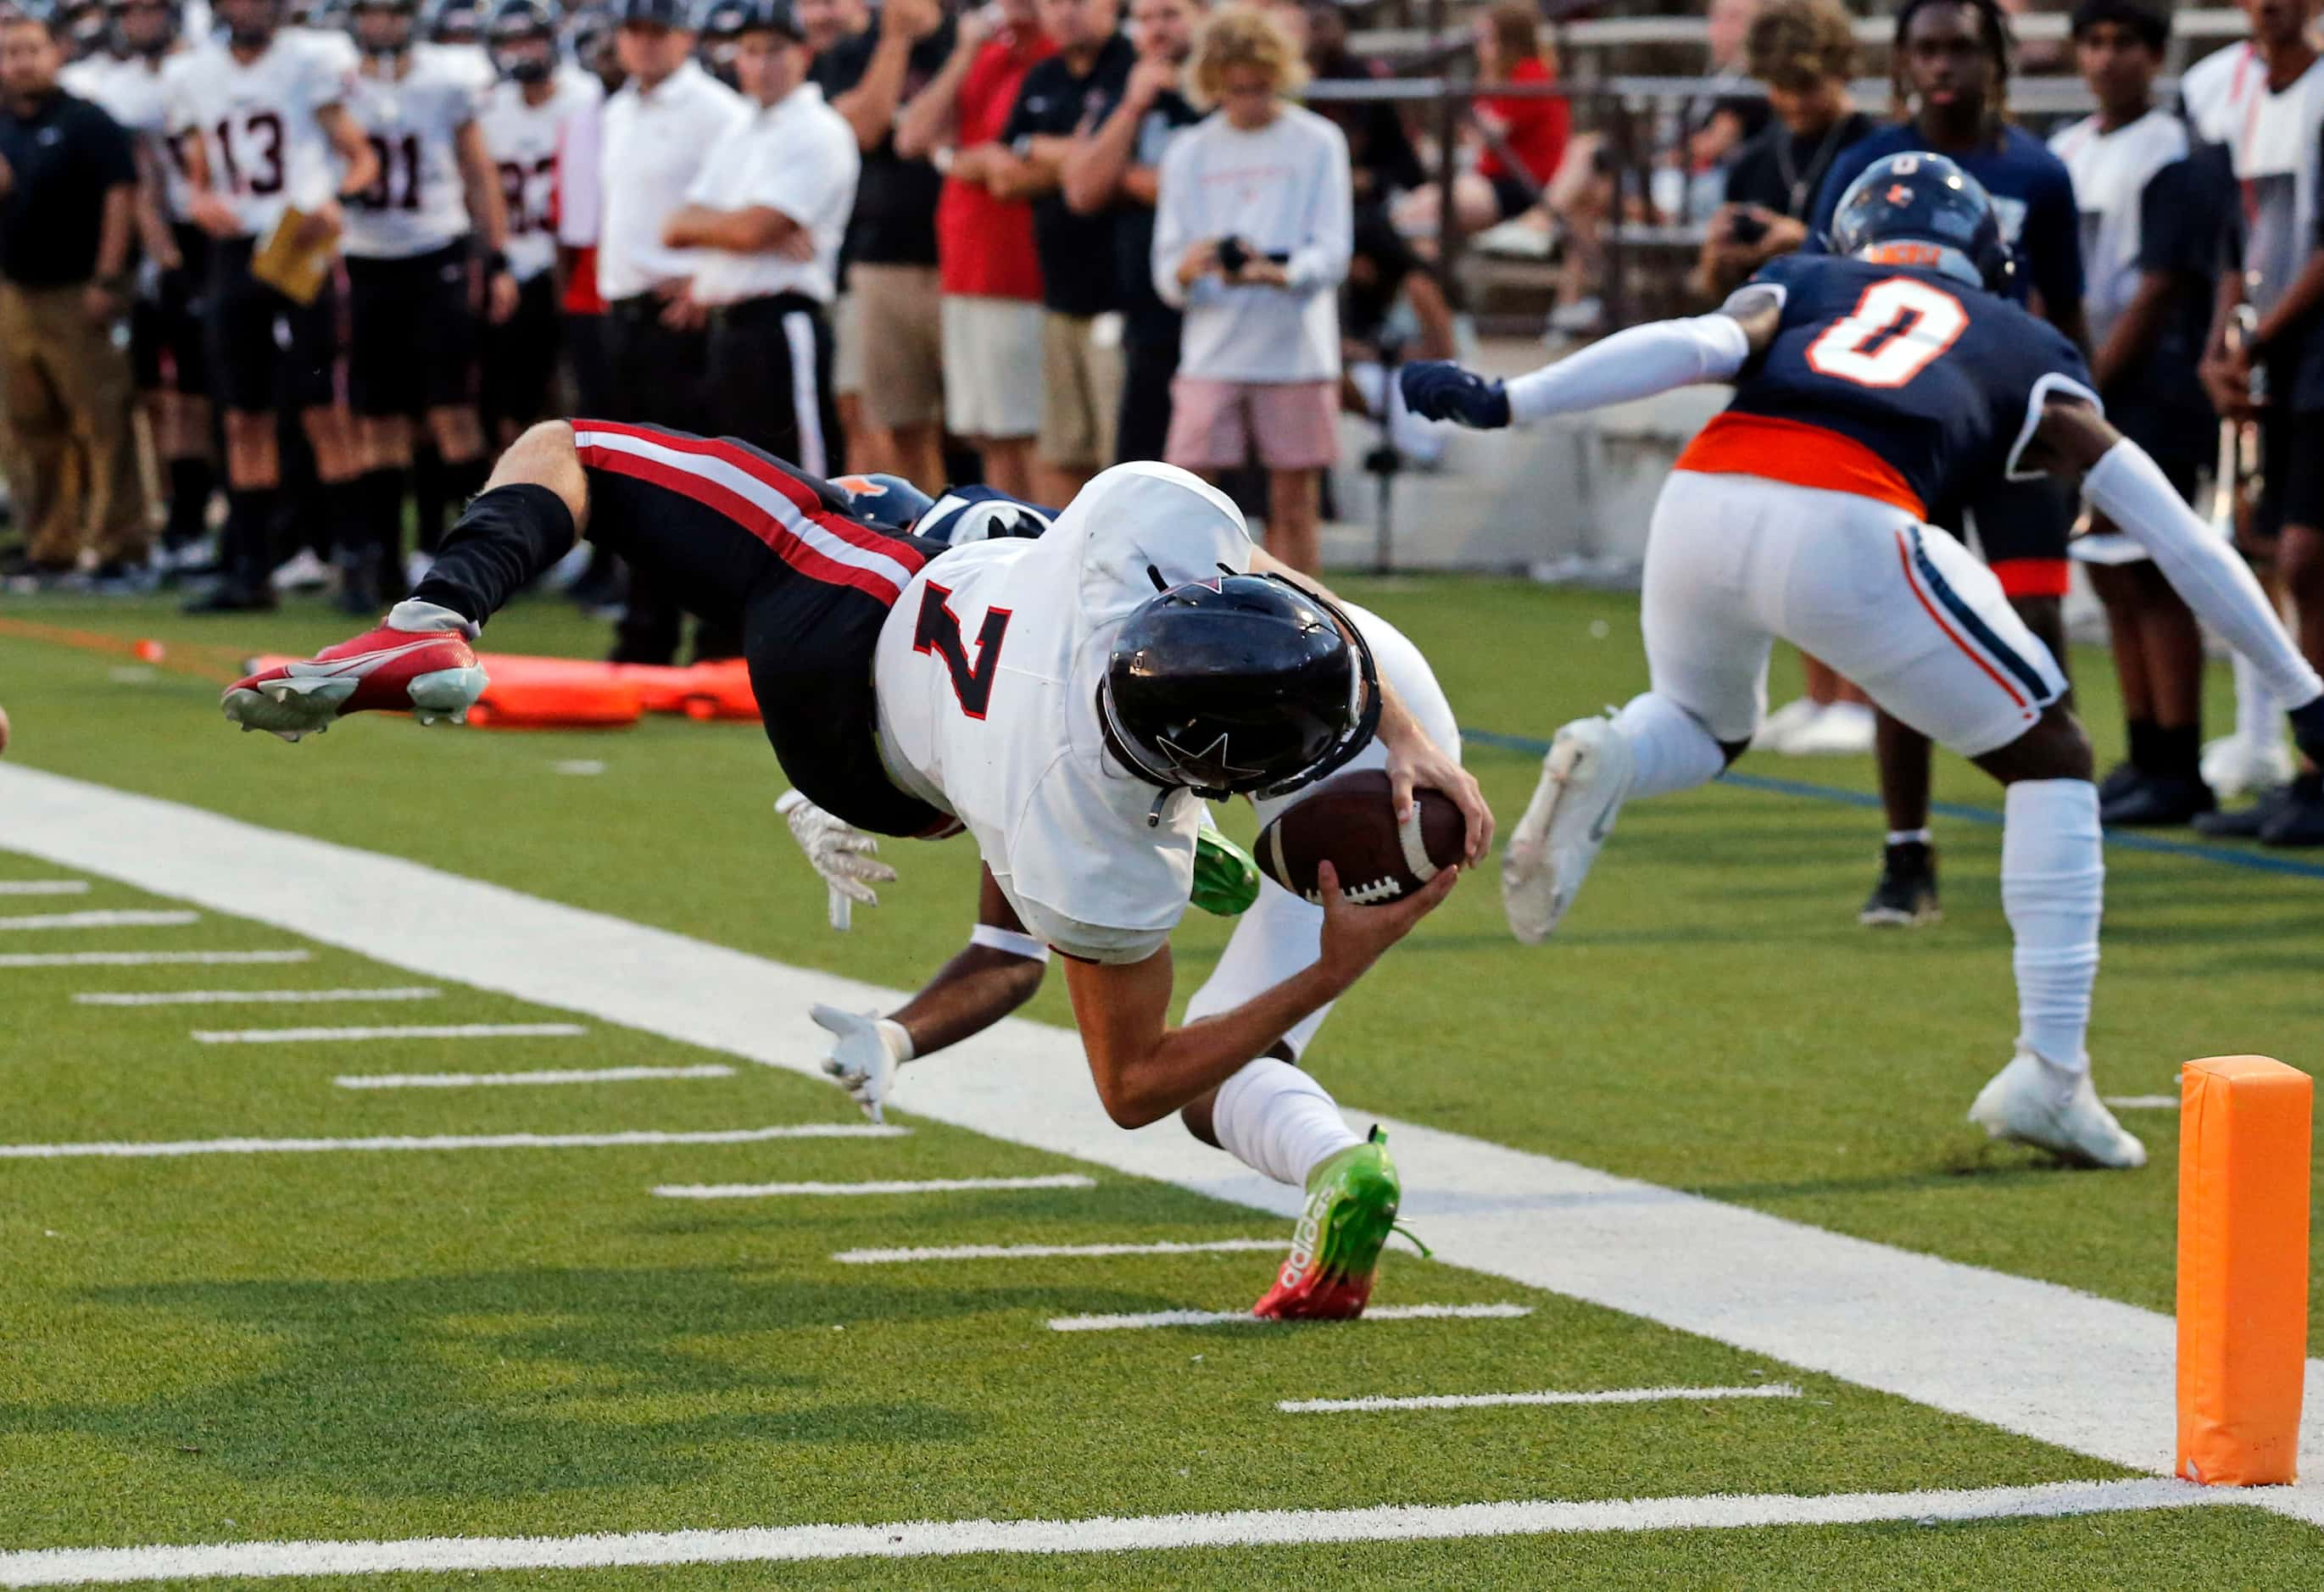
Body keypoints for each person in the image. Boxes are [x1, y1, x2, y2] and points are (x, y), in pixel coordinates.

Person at [219, 426, 1490, 1312]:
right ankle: (1322, 1142)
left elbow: (1116, 1068)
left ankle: (441, 612)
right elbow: (1127, 1070)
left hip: (860, 653)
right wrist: (1401, 752)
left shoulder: (1107, 578)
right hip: (1341, 680)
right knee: (1209, 1035)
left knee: (576, 447)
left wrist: (1350, 907)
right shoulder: (1087, 778)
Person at [1402, 153, 2324, 1169]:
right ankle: (2051, 1075)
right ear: (1989, 257)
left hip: (1702, 496)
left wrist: (1508, 400)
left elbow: (1693, 343)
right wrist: (2301, 691)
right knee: (2053, 755)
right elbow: (2182, 540)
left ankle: (1613, 754)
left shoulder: (1805, 281)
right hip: (1847, 513)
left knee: (1702, 723)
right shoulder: (2025, 342)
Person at [805, 540, 1467, 1320]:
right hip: (1351, 661)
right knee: (1125, 789)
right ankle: (1189, 831)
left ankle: (1335, 1159)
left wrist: (1330, 970)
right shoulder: (1027, 573)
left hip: (1233, 733)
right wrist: (1407, 732)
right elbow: (1239, 554)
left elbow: (1116, 1068)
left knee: (1207, 1071)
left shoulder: (1008, 758)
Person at [1804, 0, 2086, 927]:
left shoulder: (2035, 173)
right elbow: (1817, 299)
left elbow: (2062, 316)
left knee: (2035, 619)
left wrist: (2083, 438)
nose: (1942, 65)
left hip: (2008, 433)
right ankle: (1905, 854)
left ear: (1994, 58)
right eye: (1924, 48)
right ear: (1899, 62)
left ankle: (2050, 850)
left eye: (1960, 46)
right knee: (1899, 632)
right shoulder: (1863, 169)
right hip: (1905, 432)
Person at [2051, 0, 2229, 827]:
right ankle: (2143, 746)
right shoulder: (2067, 151)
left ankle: (2178, 759)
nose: (2105, 58)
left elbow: (2157, 286)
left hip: (2146, 388)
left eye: (2123, 42)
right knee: (2108, 574)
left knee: (2153, 577)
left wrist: (2085, 379)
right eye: (2091, 41)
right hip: (2083, 384)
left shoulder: (2175, 154)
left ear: (2154, 55)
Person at [1697, 0, 1877, 757]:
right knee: (1793, 542)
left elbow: (1888, 255)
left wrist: (1800, 240)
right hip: (1780, 358)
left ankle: (1863, 698)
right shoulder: (1755, 157)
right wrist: (1718, 255)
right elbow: (1714, 289)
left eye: (1807, 84)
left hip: (1860, 354)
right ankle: (1818, 692)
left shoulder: (1874, 146)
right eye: (1779, 85)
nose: (1793, 100)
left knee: (1854, 535)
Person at [165, 0, 380, 612]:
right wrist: (199, 199)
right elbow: (199, 172)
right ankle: (251, 569)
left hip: (298, 243)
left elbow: (361, 157)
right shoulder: (196, 73)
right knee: (241, 416)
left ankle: (357, 561)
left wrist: (336, 200)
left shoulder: (310, 60)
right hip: (236, 251)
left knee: (324, 413)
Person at [2192, 0, 2324, 843]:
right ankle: (2295, 765)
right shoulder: (2238, 93)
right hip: (2275, 354)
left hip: (2308, 351)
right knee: (2275, 552)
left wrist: (2257, 339)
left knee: (2308, 558)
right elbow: (2236, 240)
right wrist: (2222, 343)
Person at [1153, 4, 1347, 576]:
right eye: (1235, 89)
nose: (1248, 100)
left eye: (1260, 87)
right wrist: (1193, 267)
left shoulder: (1317, 141)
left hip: (1295, 350)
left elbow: (1332, 250)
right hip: (1213, 348)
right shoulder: (1189, 150)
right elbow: (1166, 271)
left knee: (1294, 504)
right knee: (1188, 499)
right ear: (1213, 83)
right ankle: (1188, 615)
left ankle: (1309, 622)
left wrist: (1280, 273)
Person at [338, 0, 514, 614]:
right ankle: (384, 560)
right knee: (376, 418)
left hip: (435, 251)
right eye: (371, 13)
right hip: (363, 258)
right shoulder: (337, 81)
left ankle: (461, 557)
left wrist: (495, 258)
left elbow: (478, 170)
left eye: (392, 12)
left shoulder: (446, 78)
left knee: (452, 412)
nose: (381, 24)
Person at [595, 0, 748, 662]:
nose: (645, 45)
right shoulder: (616, 109)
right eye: (634, 32)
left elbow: (747, 202)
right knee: (630, 484)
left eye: (657, 32)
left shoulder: (717, 111)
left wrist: (702, 280)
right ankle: (646, 627)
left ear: (684, 37)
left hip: (680, 315)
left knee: (694, 484)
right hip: (622, 308)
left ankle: (715, 631)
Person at [661, 0, 856, 474]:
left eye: (775, 50)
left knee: (800, 483)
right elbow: (674, 226)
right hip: (727, 324)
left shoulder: (819, 129)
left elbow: (753, 229)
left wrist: (740, 228)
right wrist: (742, 227)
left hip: (782, 323)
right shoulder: (740, 129)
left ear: (802, 56)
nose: (762, 64)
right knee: (739, 486)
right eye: (750, 51)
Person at [0, 3, 147, 586]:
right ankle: (50, 543)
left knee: (102, 419)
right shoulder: (2, 123)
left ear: (56, 53)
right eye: (10, 53)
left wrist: (108, 277)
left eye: (31, 51)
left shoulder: (89, 120)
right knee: (28, 423)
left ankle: (120, 545)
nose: (21, 63)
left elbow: (121, 197)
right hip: (15, 288)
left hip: (77, 286)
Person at [895, 0, 1051, 499]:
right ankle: (1010, 552)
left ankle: (1043, 550)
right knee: (989, 434)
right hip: (965, 267)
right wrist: (964, 53)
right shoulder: (986, 50)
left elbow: (1009, 175)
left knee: (1028, 435)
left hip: (1020, 270)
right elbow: (912, 136)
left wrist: (953, 158)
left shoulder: (1053, 57)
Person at [813, 0, 952, 492]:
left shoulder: (967, 39)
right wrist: (894, 40)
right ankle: (922, 547)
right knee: (896, 425)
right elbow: (861, 129)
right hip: (880, 258)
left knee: (988, 431)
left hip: (964, 261)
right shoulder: (852, 51)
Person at [999, 0, 1133, 506]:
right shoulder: (1044, 75)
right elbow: (1005, 171)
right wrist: (1080, 157)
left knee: (1119, 460)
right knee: (1060, 452)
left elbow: (1122, 176)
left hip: (1119, 298)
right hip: (1059, 295)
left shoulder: (1131, 67)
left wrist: (1040, 151)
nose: (1065, 13)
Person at [1060, 0, 1204, 465]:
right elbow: (1082, 190)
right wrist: (1133, 107)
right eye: (1145, 19)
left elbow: (1217, 192)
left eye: (1170, 14)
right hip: (1141, 320)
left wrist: (1128, 178)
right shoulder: (1125, 81)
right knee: (1139, 473)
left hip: (1218, 323)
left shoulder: (1227, 89)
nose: (1156, 29)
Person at [477, 0, 600, 447]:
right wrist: (497, 263)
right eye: (512, 42)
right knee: (515, 405)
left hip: (578, 264)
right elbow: (479, 193)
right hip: (518, 266)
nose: (524, 52)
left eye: (532, 39)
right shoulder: (488, 108)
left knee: (585, 403)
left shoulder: (586, 98)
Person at [1390, 0, 1564, 239]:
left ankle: (1425, 273)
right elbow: (1471, 139)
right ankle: (1424, 273)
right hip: (1493, 179)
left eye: (1487, 38)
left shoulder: (1528, 73)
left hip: (1522, 185)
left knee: (1428, 209)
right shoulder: (1496, 77)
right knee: (1415, 205)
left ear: (1508, 40)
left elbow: (1486, 135)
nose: (1479, 47)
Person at [1300, 0, 1418, 208]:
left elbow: (1394, 160)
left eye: (1324, 22)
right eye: (1313, 24)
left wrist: (1368, 179)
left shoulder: (1360, 76)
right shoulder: (1299, 81)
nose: (1319, 33)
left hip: (1375, 188)